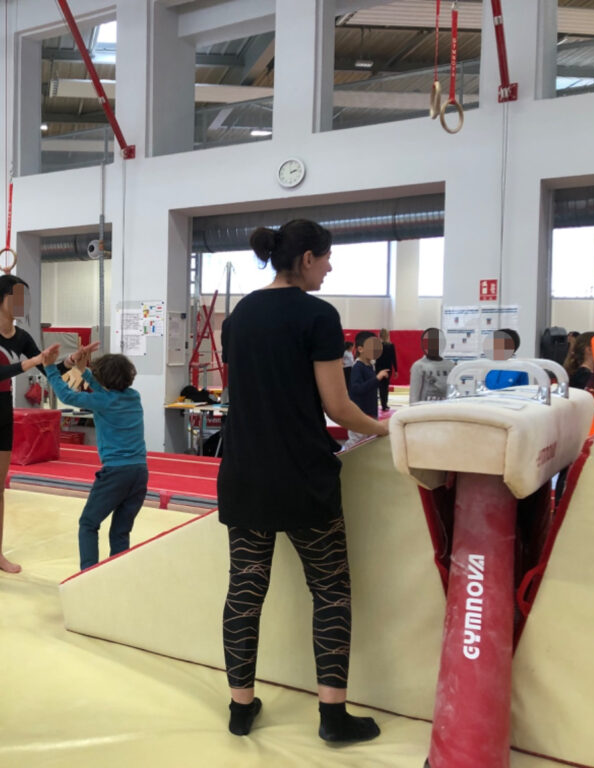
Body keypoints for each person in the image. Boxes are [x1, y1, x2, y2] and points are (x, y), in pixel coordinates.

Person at [218, 220, 388, 744]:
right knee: (331, 590)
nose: (332, 267)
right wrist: (384, 428)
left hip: (244, 471)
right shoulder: (318, 315)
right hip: (302, 475)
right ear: (309, 258)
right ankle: (332, 716)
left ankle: (240, 707)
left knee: (245, 589)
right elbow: (337, 406)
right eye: (329, 257)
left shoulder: (240, 314)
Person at [0, 274, 84, 578]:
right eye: (16, 297)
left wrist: (71, 361)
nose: (22, 303)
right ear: (0, 300)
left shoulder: (22, 336)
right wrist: (34, 360)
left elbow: (45, 367)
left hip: (2, 411)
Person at [45, 351, 146, 571]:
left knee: (88, 524)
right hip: (139, 472)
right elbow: (106, 392)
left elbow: (68, 397)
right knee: (120, 531)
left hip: (116, 473)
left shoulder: (103, 401)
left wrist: (50, 369)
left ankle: (88, 573)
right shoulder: (133, 396)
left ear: (103, 380)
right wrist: (84, 373)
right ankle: (117, 574)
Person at [409, 328, 455, 403]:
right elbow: (414, 396)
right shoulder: (419, 366)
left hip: (445, 409)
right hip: (425, 410)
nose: (432, 346)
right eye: (429, 343)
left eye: (435, 343)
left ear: (442, 344)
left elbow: (453, 393)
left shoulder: (450, 366)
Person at [374, 328, 397, 411]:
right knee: (385, 386)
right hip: (388, 368)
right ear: (387, 336)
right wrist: (396, 370)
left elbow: (375, 358)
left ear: (379, 336)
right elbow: (393, 358)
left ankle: (384, 404)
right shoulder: (391, 346)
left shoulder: (378, 346)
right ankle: (385, 404)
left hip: (379, 368)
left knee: (381, 387)